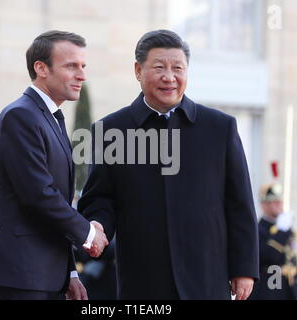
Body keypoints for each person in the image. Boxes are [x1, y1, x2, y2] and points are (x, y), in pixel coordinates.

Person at [78, 29, 259, 300]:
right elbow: (100, 198)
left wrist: (244, 267)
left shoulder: (219, 128)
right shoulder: (111, 130)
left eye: (178, 68)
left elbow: (239, 203)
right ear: (138, 71)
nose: (170, 77)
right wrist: (98, 225)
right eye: (159, 67)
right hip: (143, 277)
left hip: (207, 274)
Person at [0, 30, 108, 300]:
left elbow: (55, 199)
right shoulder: (21, 115)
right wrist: (87, 232)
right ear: (41, 68)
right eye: (71, 66)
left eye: (83, 66)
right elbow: (38, 194)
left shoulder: (49, 117)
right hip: (19, 270)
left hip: (42, 271)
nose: (81, 75)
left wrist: (69, 272)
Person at [249, 162, 297, 300]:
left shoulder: (286, 228)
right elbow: (269, 257)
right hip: (267, 289)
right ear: (264, 205)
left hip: (287, 290)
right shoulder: (257, 228)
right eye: (273, 201)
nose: (279, 204)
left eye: (280, 200)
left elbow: (292, 261)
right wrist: (281, 231)